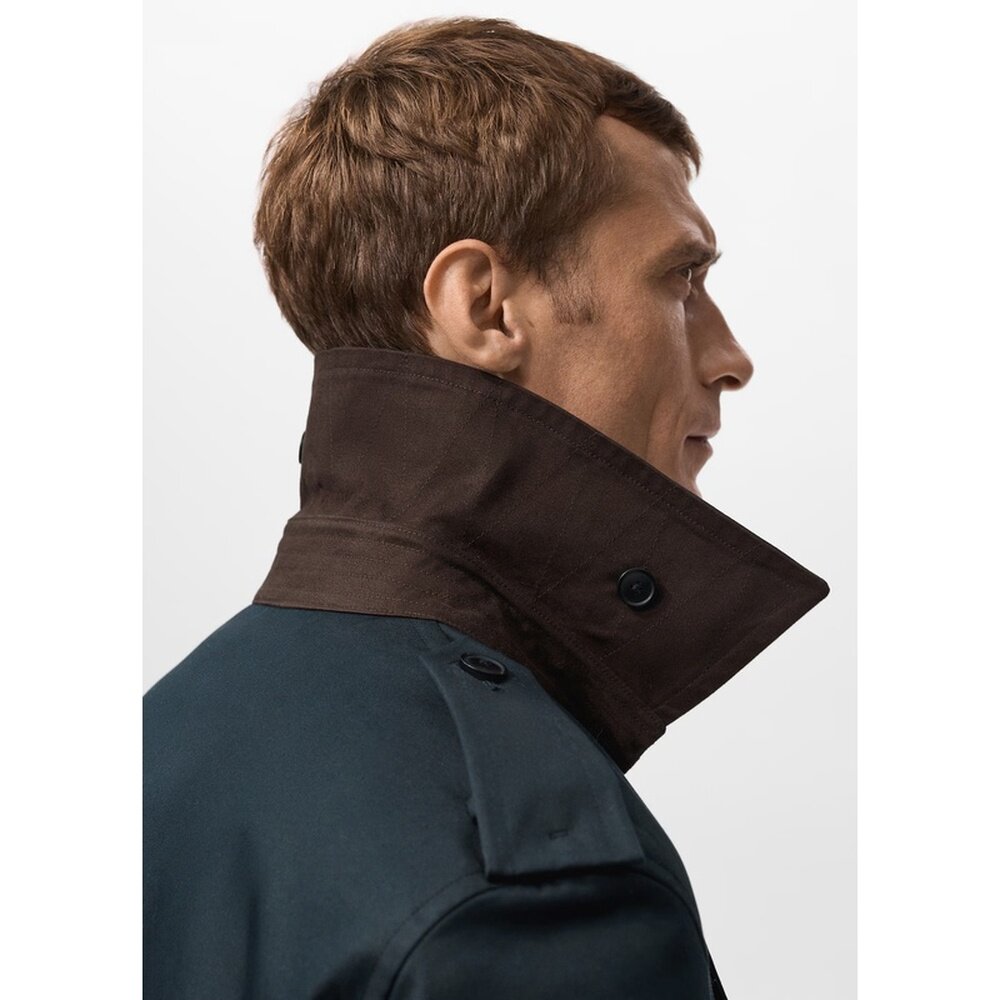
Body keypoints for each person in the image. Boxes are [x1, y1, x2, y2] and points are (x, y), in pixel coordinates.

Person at [143, 16, 830, 999]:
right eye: (681, 280)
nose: (729, 358)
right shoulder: (526, 886)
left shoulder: (159, 743)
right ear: (486, 307)